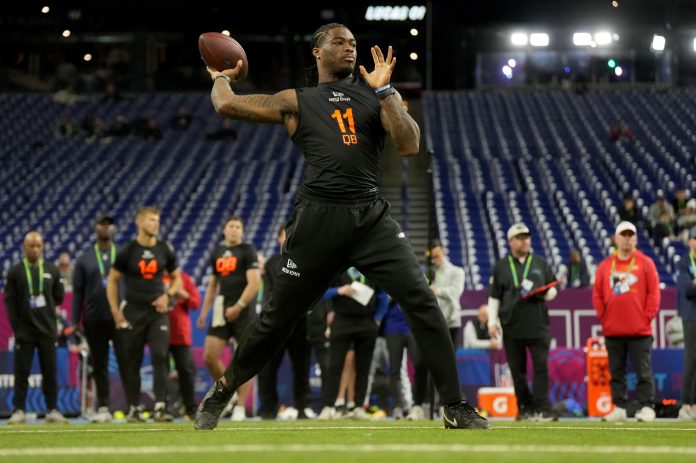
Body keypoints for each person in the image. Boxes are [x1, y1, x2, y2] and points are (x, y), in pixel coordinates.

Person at [195, 23, 490, 430]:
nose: (350, 48)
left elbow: (409, 145)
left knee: (423, 300)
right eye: (339, 42)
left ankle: (455, 406)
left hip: (370, 216)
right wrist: (220, 77)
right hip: (318, 219)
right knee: (277, 320)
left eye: (353, 43)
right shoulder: (297, 100)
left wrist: (386, 92)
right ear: (317, 52)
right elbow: (228, 106)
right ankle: (224, 388)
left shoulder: (379, 95)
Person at [107, 206, 181, 423]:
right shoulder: (127, 250)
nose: (156, 223)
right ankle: (134, 408)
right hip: (132, 312)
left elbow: (177, 278)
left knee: (160, 356)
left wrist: (168, 295)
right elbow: (112, 281)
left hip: (157, 312)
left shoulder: (164, 249)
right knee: (132, 360)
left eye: (157, 220)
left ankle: (160, 407)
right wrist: (115, 311)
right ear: (139, 223)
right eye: (151, 220)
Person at [487, 223, 558, 421]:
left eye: (527, 236)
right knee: (517, 372)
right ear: (510, 242)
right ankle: (524, 408)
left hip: (538, 325)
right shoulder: (501, 266)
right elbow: (494, 298)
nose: (524, 240)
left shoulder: (540, 263)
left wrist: (545, 294)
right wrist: (492, 322)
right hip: (512, 326)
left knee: (541, 367)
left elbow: (553, 289)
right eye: (519, 237)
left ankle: (543, 408)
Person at [592, 221, 660, 422]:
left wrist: (646, 316)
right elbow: (597, 294)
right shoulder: (605, 266)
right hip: (613, 329)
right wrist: (603, 317)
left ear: (636, 238)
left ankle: (647, 406)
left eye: (631, 235)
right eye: (623, 235)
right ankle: (619, 407)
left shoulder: (645, 263)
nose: (627, 239)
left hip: (640, 330)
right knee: (616, 372)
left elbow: (654, 293)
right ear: (616, 238)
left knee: (643, 371)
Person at [196, 216, 260, 421]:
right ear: (224, 230)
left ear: (242, 231)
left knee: (245, 359)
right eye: (231, 226)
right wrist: (204, 312)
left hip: (243, 311)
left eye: (238, 227)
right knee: (209, 356)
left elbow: (254, 283)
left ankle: (240, 408)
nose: (234, 230)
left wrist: (239, 306)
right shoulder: (217, 252)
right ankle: (228, 392)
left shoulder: (248, 250)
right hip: (221, 310)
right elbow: (213, 285)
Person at [5, 232, 67, 424]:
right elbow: (10, 302)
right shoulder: (15, 271)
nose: (35, 249)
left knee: (50, 372)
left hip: (47, 330)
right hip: (25, 332)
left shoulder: (51, 269)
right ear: (24, 247)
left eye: (38, 245)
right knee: (21, 372)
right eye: (31, 245)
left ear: (43, 247)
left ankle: (52, 409)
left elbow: (59, 297)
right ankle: (19, 410)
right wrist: (17, 327)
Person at [257, 226, 314, 420]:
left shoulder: (307, 259)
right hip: (278, 324)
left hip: (300, 322)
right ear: (278, 239)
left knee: (302, 367)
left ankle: (303, 406)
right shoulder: (272, 263)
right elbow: (269, 295)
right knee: (268, 367)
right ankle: (268, 408)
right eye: (286, 235)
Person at [319, 268, 387, 420]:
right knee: (334, 366)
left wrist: (378, 318)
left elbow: (382, 296)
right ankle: (329, 406)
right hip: (342, 321)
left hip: (367, 322)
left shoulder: (371, 271)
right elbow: (323, 293)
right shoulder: (338, 270)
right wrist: (339, 290)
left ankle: (358, 407)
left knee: (363, 367)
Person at [71, 216, 119, 423]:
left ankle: (135, 406)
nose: (105, 227)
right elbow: (77, 292)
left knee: (128, 361)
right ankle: (104, 407)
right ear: (95, 227)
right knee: (99, 364)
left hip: (119, 317)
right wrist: (74, 321)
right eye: (101, 224)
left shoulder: (123, 255)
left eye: (109, 224)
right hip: (94, 318)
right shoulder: (85, 258)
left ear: (114, 228)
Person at [165, 269, 201, 419]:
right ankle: (163, 408)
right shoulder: (156, 278)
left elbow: (195, 302)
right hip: (159, 332)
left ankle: (190, 408)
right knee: (161, 371)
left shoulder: (184, 278)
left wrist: (183, 294)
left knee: (186, 371)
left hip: (180, 333)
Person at [428, 241, 465, 349]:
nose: (435, 258)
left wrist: (437, 291)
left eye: (437, 255)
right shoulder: (432, 273)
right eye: (433, 256)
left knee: (450, 359)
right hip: (435, 322)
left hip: (451, 321)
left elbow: (456, 291)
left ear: (443, 252)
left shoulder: (457, 271)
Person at [676, 226, 696, 421]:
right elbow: (687, 289)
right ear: (689, 241)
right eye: (695, 239)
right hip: (691, 316)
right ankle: (685, 404)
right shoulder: (683, 262)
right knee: (690, 361)